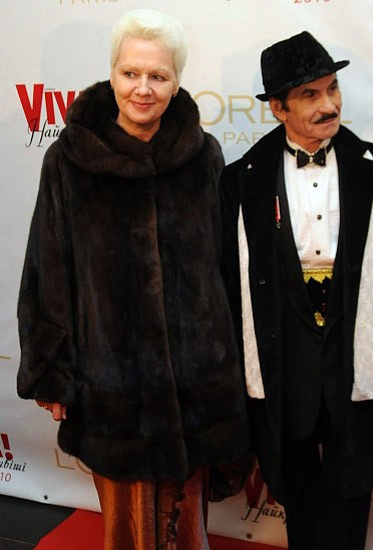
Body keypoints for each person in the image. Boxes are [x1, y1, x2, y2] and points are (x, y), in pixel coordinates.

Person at [17, 9, 250, 550]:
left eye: (158, 76)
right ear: (112, 73)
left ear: (177, 82)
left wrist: (236, 371)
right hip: (111, 388)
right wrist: (52, 372)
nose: (142, 89)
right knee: (125, 532)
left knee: (187, 530)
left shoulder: (204, 156)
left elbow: (228, 271)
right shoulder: (68, 160)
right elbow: (47, 268)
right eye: (131, 73)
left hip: (196, 388)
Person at [220, 31, 373, 549]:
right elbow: (229, 286)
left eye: (332, 88)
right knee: (294, 489)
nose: (329, 104)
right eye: (310, 95)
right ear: (278, 108)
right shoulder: (240, 180)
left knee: (353, 491)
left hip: (354, 353)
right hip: (283, 357)